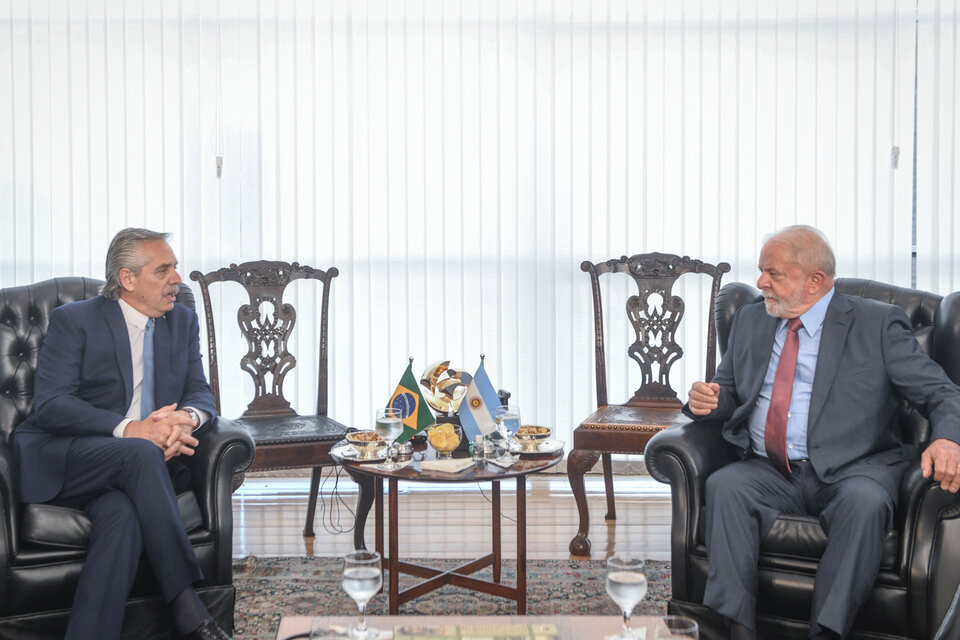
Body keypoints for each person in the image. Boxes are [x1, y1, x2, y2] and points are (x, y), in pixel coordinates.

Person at [685, 225, 960, 640]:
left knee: (864, 505)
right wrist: (706, 400)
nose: (761, 283)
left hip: (855, 469)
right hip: (770, 468)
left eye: (773, 274)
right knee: (725, 487)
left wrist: (947, 438)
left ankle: (826, 633)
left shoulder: (878, 324)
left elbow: (942, 392)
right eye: (761, 271)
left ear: (815, 280)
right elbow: (729, 392)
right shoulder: (751, 319)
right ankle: (736, 629)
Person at [11, 228, 233, 640]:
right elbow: (52, 404)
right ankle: (187, 605)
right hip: (67, 458)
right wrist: (134, 430)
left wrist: (183, 420)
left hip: (134, 474)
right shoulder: (74, 321)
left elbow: (199, 391)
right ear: (128, 280)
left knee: (122, 515)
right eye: (162, 270)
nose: (176, 280)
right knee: (141, 453)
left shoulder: (182, 320)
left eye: (175, 268)